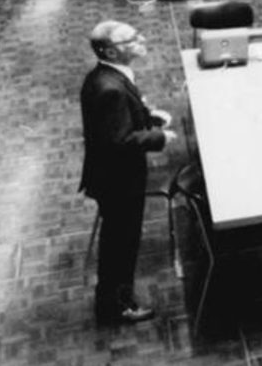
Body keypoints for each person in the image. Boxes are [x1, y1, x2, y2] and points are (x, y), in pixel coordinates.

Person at [81, 20, 176, 325]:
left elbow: (119, 120)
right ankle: (116, 306)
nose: (141, 40)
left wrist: (148, 117)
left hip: (112, 179)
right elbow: (119, 141)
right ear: (110, 50)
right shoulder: (110, 89)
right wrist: (158, 138)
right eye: (131, 39)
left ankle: (114, 299)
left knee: (119, 242)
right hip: (119, 182)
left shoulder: (107, 76)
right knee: (121, 246)